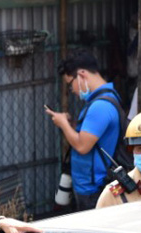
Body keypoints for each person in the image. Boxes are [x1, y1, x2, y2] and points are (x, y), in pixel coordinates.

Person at [46, 51, 125, 209]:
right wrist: (72, 124)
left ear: (81, 75)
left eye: (70, 84)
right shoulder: (104, 98)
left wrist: (63, 124)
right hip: (91, 186)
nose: (72, 91)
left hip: (93, 188)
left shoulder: (100, 106)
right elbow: (93, 136)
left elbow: (82, 146)